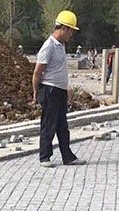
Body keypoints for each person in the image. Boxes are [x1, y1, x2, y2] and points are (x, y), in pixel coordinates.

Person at [32, 10, 86, 168]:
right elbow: (37, 71)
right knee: (49, 124)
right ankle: (44, 157)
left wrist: (65, 88)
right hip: (50, 90)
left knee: (62, 126)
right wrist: (36, 91)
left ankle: (67, 157)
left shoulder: (61, 45)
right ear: (63, 28)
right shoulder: (48, 46)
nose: (71, 35)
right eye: (71, 31)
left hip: (60, 90)